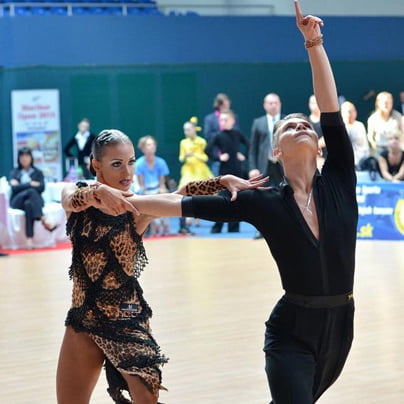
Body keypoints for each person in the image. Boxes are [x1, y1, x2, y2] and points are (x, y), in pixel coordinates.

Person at [129, 2, 357, 402]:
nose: (301, 124)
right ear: (276, 151)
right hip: (290, 333)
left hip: (340, 328)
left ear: (320, 145)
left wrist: (314, 44)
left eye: (305, 123)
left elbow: (329, 108)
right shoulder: (262, 202)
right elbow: (185, 206)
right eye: (289, 126)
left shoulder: (340, 179)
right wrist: (129, 200)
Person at [56, 129, 267, 404]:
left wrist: (221, 181)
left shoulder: (138, 207)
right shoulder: (77, 196)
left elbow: (177, 196)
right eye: (116, 164)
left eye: (131, 162)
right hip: (83, 318)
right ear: (96, 165)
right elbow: (69, 198)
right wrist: (99, 192)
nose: (127, 172)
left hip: (126, 320)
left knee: (146, 399)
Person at [249, 92, 284, 239]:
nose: (273, 105)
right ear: (265, 105)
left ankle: (285, 227)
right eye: (270, 103)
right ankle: (261, 229)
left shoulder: (286, 121)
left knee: (285, 194)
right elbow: (253, 148)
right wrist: (252, 167)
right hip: (264, 165)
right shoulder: (258, 122)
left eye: (276, 103)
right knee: (262, 197)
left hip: (282, 165)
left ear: (280, 104)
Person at [207, 109, 249, 233]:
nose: (223, 122)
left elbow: (249, 144)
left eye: (225, 120)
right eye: (221, 120)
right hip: (225, 170)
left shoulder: (237, 134)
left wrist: (244, 155)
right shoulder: (218, 136)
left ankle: (234, 227)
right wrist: (218, 157)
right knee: (222, 199)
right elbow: (207, 150)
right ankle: (218, 226)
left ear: (232, 120)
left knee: (237, 198)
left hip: (237, 169)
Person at [9, 147, 57, 249]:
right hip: (17, 201)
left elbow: (41, 187)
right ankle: (43, 219)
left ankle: (29, 240)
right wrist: (30, 184)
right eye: (22, 156)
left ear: (31, 158)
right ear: (18, 158)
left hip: (34, 202)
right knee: (31, 192)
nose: (24, 158)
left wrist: (21, 185)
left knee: (29, 204)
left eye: (27, 156)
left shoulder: (37, 172)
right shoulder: (14, 172)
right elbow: (14, 188)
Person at [178, 117, 212, 234]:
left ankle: (197, 216)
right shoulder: (183, 142)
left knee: (199, 193)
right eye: (184, 130)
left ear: (194, 129)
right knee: (185, 191)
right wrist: (185, 156)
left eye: (188, 129)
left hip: (200, 170)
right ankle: (188, 216)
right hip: (188, 170)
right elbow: (181, 158)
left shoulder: (201, 141)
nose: (186, 132)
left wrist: (195, 155)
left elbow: (205, 157)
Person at [136, 135, 170, 236]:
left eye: (153, 144)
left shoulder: (161, 162)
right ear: (143, 148)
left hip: (157, 190)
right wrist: (149, 194)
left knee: (165, 196)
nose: (152, 146)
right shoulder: (139, 164)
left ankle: (165, 226)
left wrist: (161, 191)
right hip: (146, 191)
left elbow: (162, 184)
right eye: (149, 145)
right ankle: (153, 226)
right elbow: (142, 186)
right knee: (149, 200)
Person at [204, 93, 240, 176]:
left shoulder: (234, 117)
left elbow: (236, 133)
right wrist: (221, 136)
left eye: (228, 104)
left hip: (233, 158)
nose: (227, 107)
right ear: (219, 105)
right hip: (218, 155)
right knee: (219, 179)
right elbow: (208, 135)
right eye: (224, 105)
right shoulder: (210, 119)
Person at [341, 101, 370, 169]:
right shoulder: (340, 127)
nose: (352, 113)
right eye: (349, 111)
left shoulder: (360, 125)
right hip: (347, 163)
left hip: (363, 161)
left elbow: (365, 145)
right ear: (342, 113)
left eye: (353, 110)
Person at [308, 94, 327, 169]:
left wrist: (319, 144)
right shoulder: (305, 122)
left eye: (317, 102)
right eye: (313, 103)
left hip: (326, 159)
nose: (315, 105)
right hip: (310, 161)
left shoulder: (327, 121)